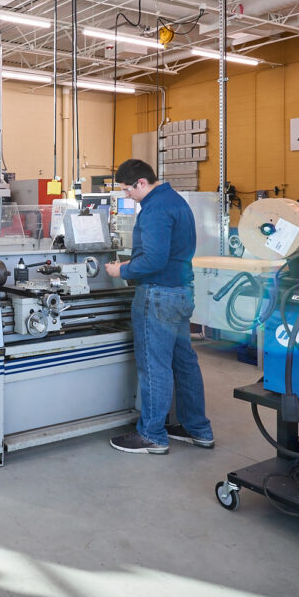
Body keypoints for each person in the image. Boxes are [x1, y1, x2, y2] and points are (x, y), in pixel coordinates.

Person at [102, 158, 215, 455]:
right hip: (181, 291)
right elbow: (168, 252)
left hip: (158, 296)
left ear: (141, 183)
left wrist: (121, 271)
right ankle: (197, 428)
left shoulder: (154, 209)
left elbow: (153, 259)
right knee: (184, 363)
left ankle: (152, 435)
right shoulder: (175, 201)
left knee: (155, 366)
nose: (127, 196)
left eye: (128, 190)